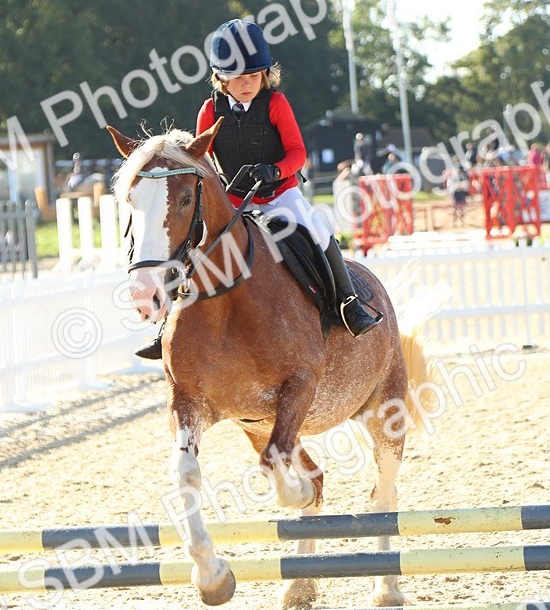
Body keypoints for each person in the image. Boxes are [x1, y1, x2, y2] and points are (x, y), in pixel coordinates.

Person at [135, 20, 381, 361]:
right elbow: (199, 160)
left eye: (254, 76)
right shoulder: (209, 110)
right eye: (237, 78)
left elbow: (298, 152)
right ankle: (168, 326)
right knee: (192, 247)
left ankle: (347, 304)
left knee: (320, 231)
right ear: (221, 79)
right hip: (235, 199)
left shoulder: (276, 104)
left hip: (280, 195)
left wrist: (275, 170)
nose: (247, 83)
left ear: (265, 74)